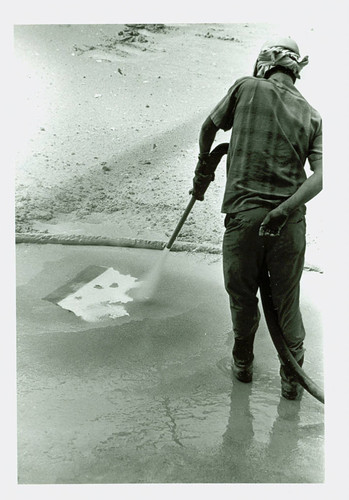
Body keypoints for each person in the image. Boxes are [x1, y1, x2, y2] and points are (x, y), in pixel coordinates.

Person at [191, 37, 322, 400]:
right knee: (287, 303)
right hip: (289, 225)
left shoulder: (246, 87)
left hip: (244, 218)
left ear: (265, 64)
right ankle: (291, 383)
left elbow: (208, 130)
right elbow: (322, 176)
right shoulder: (312, 115)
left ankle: (243, 366)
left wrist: (203, 169)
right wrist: (281, 211)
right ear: (295, 71)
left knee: (244, 298)